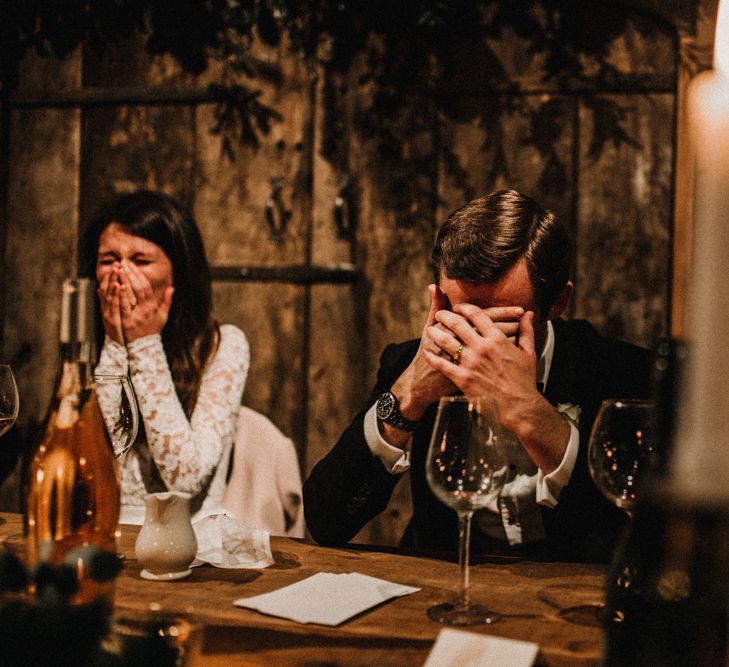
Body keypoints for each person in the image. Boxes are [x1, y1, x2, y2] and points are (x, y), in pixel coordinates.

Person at [303, 189, 653, 563]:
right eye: (461, 317)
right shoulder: (409, 361)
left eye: (498, 322)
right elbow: (326, 522)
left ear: (557, 304)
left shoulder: (625, 374)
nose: (476, 345)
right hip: (444, 591)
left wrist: (527, 409)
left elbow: (642, 539)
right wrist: (408, 396)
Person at [83, 190, 249, 517]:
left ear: (178, 273)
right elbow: (90, 467)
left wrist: (144, 343)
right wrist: (116, 342)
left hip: (187, 542)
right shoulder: (86, 343)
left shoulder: (224, 345)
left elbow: (184, 479)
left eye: (140, 261)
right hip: (103, 534)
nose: (122, 275)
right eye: (109, 260)